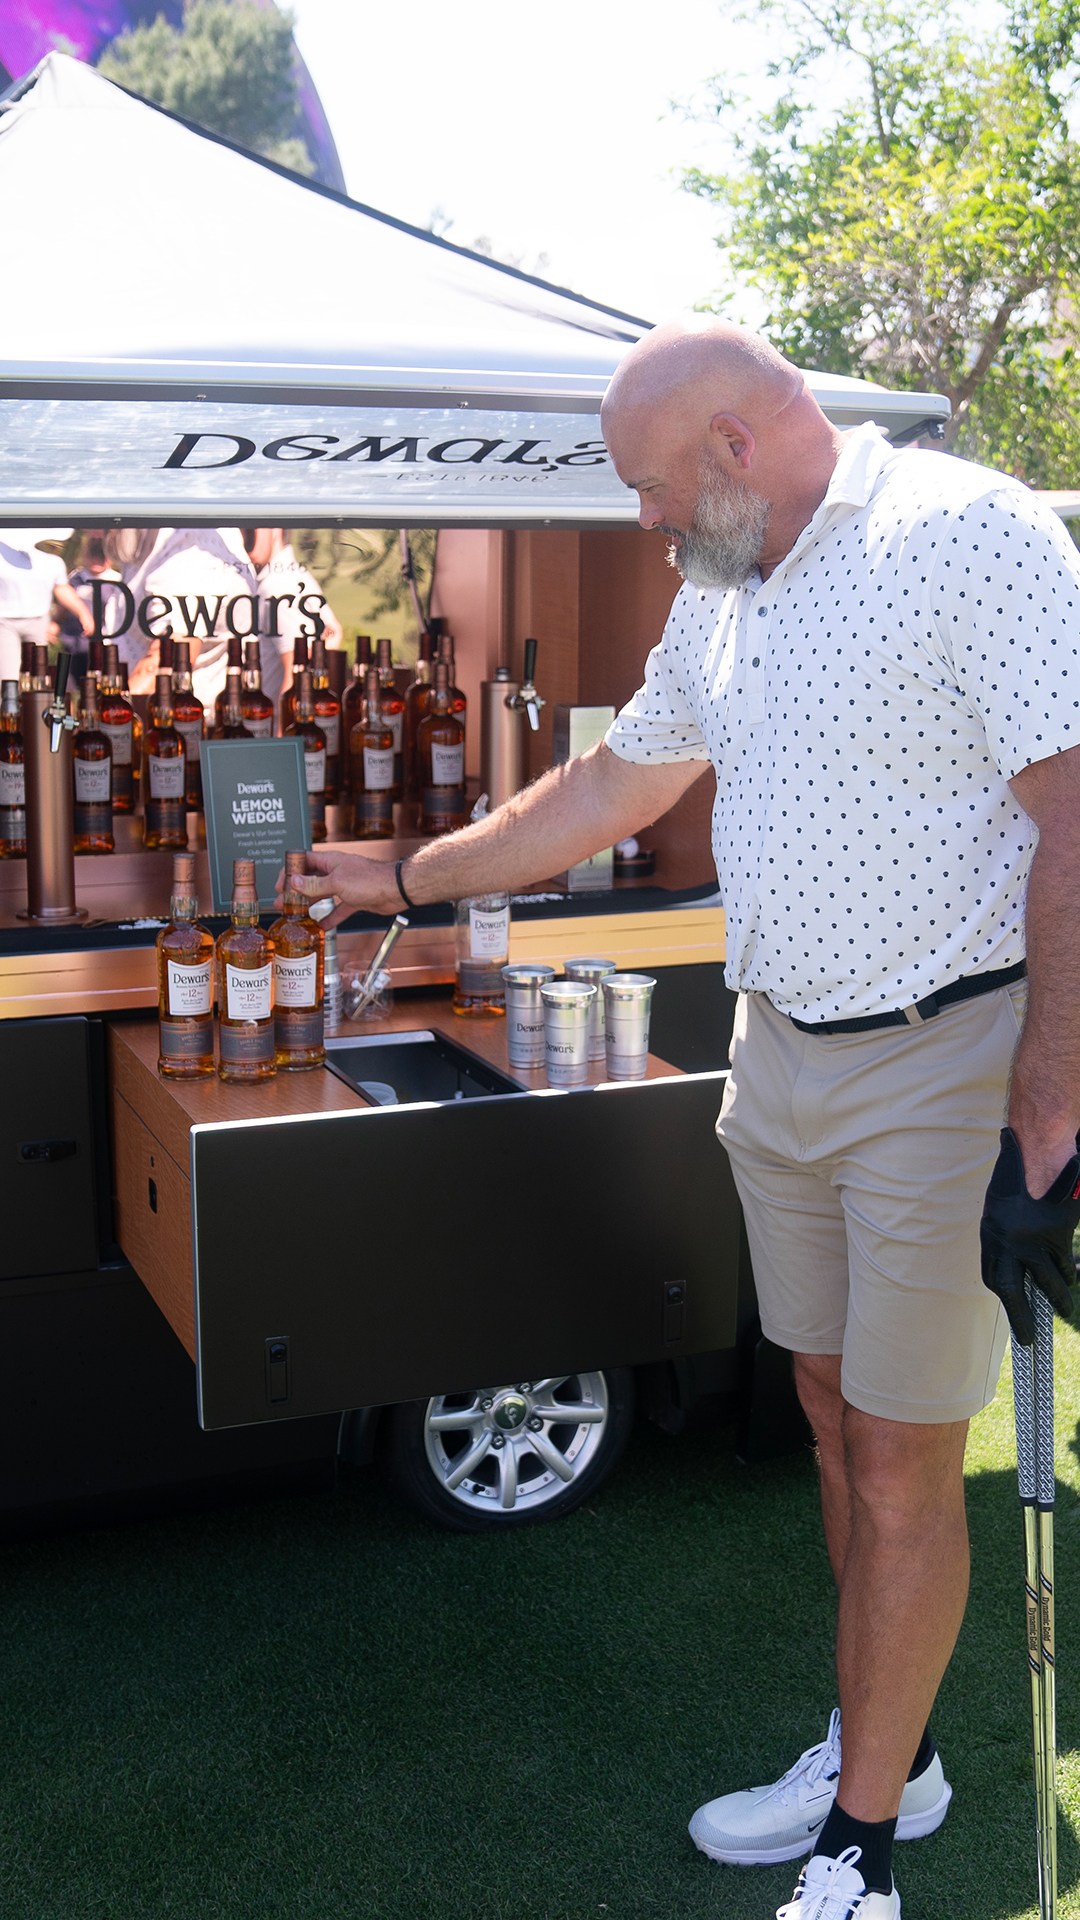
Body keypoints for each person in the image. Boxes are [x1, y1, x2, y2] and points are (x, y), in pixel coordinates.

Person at [279, 318, 1080, 1920]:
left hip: (943, 1057)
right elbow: (612, 787)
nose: (641, 519)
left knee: (904, 1458)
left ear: (734, 444)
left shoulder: (971, 533)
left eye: (648, 486)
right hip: (777, 1054)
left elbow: (1077, 809)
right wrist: (414, 875)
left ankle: (860, 1851)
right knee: (830, 1416)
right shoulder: (720, 587)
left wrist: (1053, 1110)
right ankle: (894, 1752)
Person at [242, 528, 343, 720]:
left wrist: (284, 733)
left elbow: (295, 672)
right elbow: (334, 631)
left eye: (251, 527)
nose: (243, 536)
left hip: (273, 728)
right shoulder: (295, 575)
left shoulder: (278, 587)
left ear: (276, 529)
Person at [0, 530, 94, 678]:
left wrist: (83, 613)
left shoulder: (53, 562)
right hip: (5, 622)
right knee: (8, 675)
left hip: (38, 622)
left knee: (39, 675)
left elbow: (62, 588)